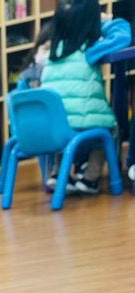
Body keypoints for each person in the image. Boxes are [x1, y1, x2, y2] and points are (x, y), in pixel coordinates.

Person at [41, 0, 131, 195]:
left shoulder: (52, 54)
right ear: (91, 23)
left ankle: (58, 173)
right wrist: (105, 22)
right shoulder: (89, 50)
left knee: (64, 126)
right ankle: (90, 178)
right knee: (110, 130)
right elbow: (124, 36)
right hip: (84, 127)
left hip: (53, 129)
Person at [17, 25, 52, 89]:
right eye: (45, 49)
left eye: (51, 50)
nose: (48, 54)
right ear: (35, 51)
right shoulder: (26, 76)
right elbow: (21, 93)